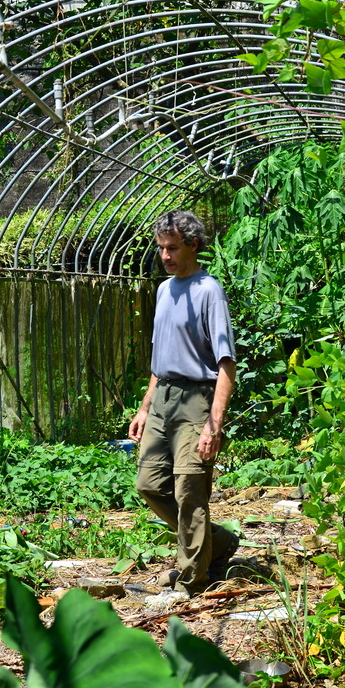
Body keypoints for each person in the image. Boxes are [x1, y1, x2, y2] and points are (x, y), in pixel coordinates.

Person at [128, 209, 238, 608]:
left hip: (197, 398)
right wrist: (144, 407)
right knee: (149, 484)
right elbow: (160, 359)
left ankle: (192, 579)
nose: (165, 256)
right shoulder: (163, 291)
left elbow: (226, 363)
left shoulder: (209, 290)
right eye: (161, 248)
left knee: (189, 490)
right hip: (163, 398)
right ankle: (218, 541)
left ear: (193, 245)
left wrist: (213, 425)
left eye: (173, 248)